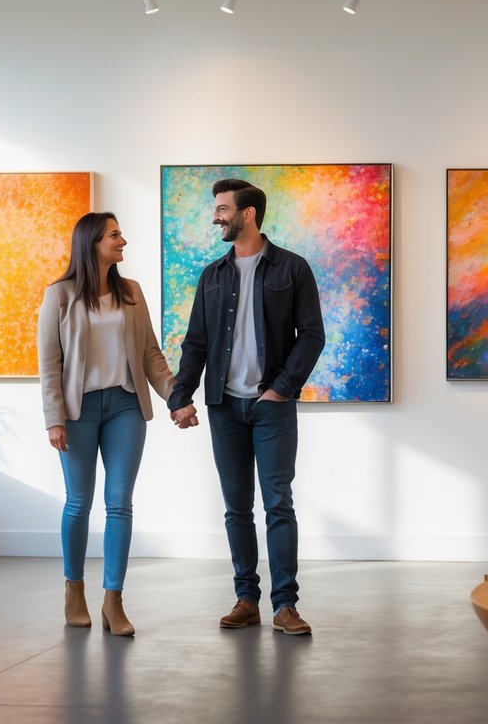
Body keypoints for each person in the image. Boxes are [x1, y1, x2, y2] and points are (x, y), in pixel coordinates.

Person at [169, 179, 325, 635]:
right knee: (237, 508)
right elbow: (196, 342)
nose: (215, 217)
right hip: (224, 407)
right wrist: (181, 396)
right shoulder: (213, 276)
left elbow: (312, 335)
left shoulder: (292, 269)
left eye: (222, 209)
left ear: (248, 214)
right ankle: (245, 599)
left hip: (271, 408)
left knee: (278, 504)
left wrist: (281, 388)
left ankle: (286, 606)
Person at [38, 211, 175, 636]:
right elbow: (49, 364)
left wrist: (177, 399)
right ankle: (73, 590)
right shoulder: (59, 295)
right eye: (115, 235)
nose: (123, 241)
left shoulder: (131, 292)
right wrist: (53, 418)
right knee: (78, 501)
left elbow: (150, 354)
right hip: (77, 412)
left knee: (119, 503)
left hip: (126, 406)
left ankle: (113, 600)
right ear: (93, 242)